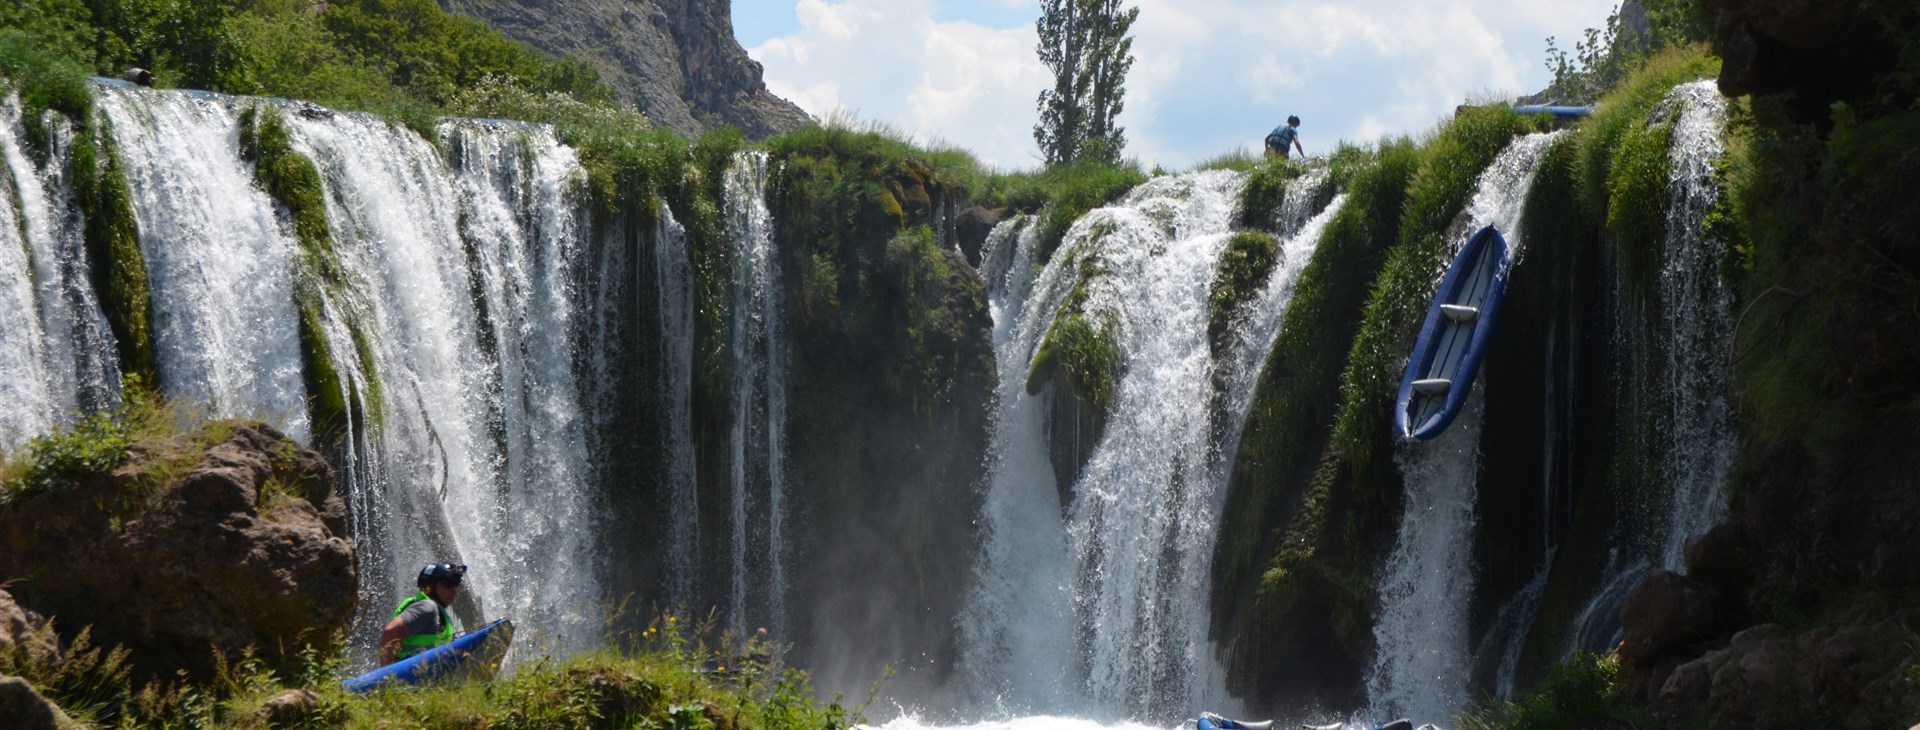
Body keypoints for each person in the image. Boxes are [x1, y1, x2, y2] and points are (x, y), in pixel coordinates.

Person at [379, 562, 466, 665]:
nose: (454, 589)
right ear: (429, 587)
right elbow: (390, 632)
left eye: (456, 584)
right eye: (448, 583)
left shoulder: (440, 614)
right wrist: (389, 672)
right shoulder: (428, 607)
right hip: (407, 672)